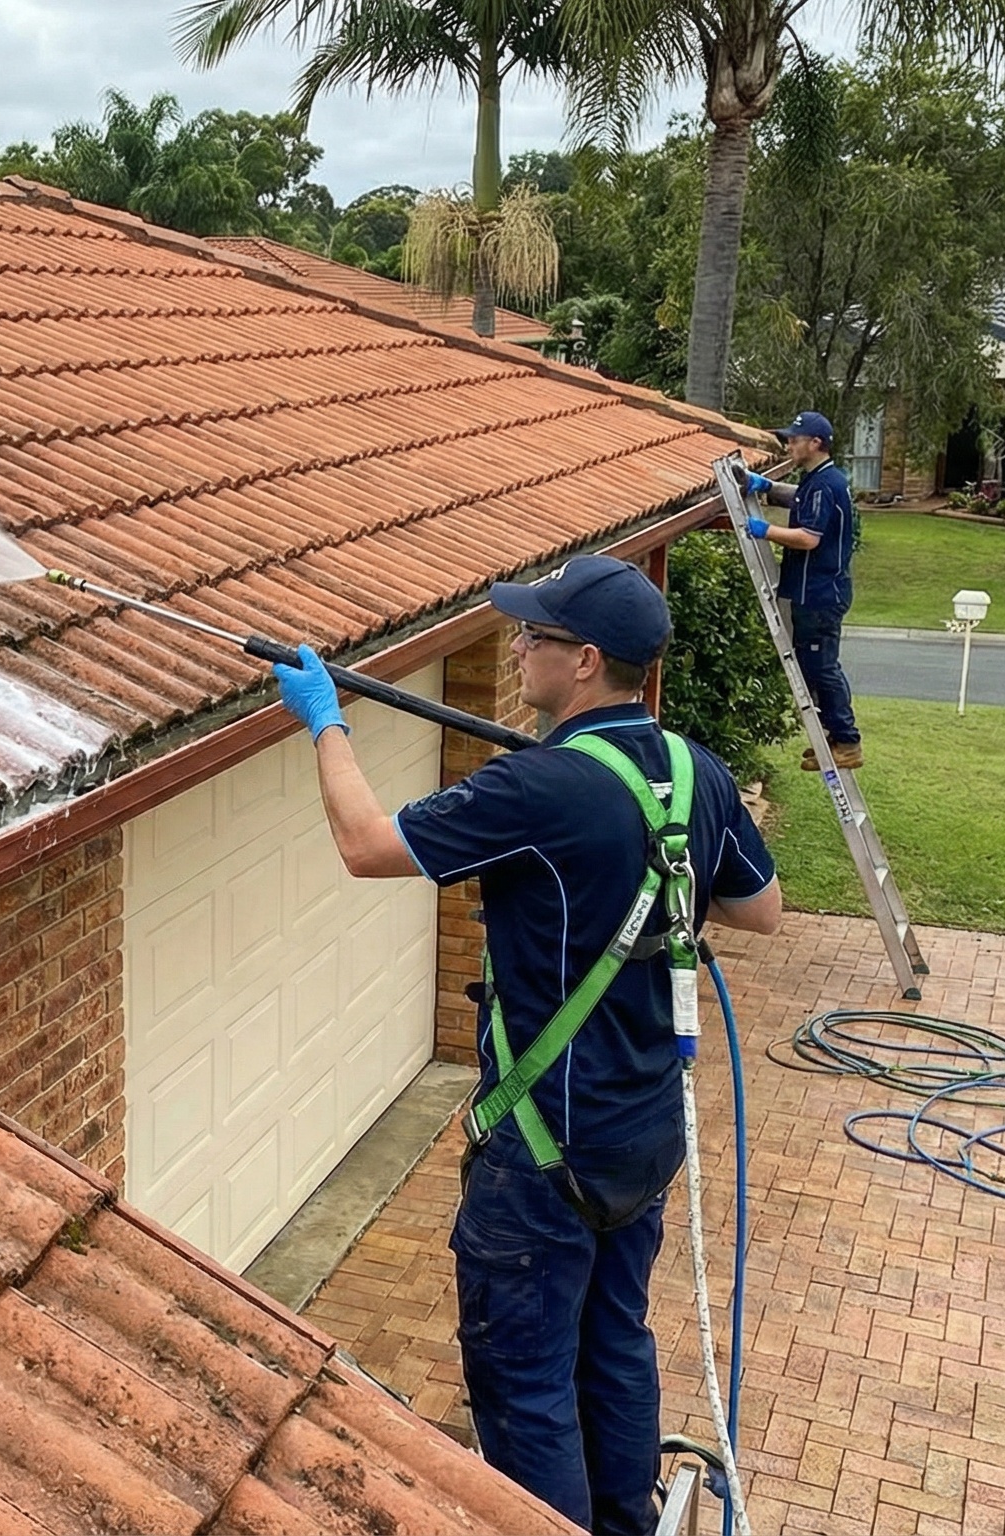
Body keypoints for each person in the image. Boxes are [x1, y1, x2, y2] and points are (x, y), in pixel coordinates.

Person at [270, 556, 783, 1536]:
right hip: (643, 1131)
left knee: (524, 1377)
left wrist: (326, 722)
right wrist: (652, 873)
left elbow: (366, 846)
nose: (515, 647)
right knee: (614, 1343)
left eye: (533, 636)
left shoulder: (537, 788)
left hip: (546, 1150)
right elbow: (759, 909)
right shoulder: (692, 773)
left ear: (584, 661)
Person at [742, 410, 862, 770]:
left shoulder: (825, 484)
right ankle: (835, 737)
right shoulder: (821, 480)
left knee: (822, 668)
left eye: (795, 440)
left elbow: (809, 538)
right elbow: (801, 498)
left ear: (816, 443)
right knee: (814, 666)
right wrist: (767, 487)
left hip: (820, 594)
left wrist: (764, 530)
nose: (789, 445)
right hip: (815, 591)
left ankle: (848, 742)